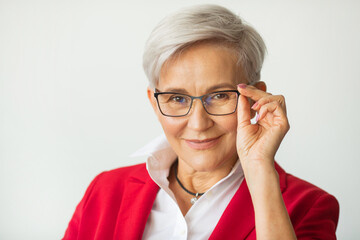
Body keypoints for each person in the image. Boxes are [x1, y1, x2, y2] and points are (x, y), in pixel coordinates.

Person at [62, 4, 339, 240]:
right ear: (153, 102)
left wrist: (259, 169)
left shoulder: (310, 207)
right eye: (177, 99)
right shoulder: (104, 191)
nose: (198, 123)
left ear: (256, 98)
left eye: (219, 96)